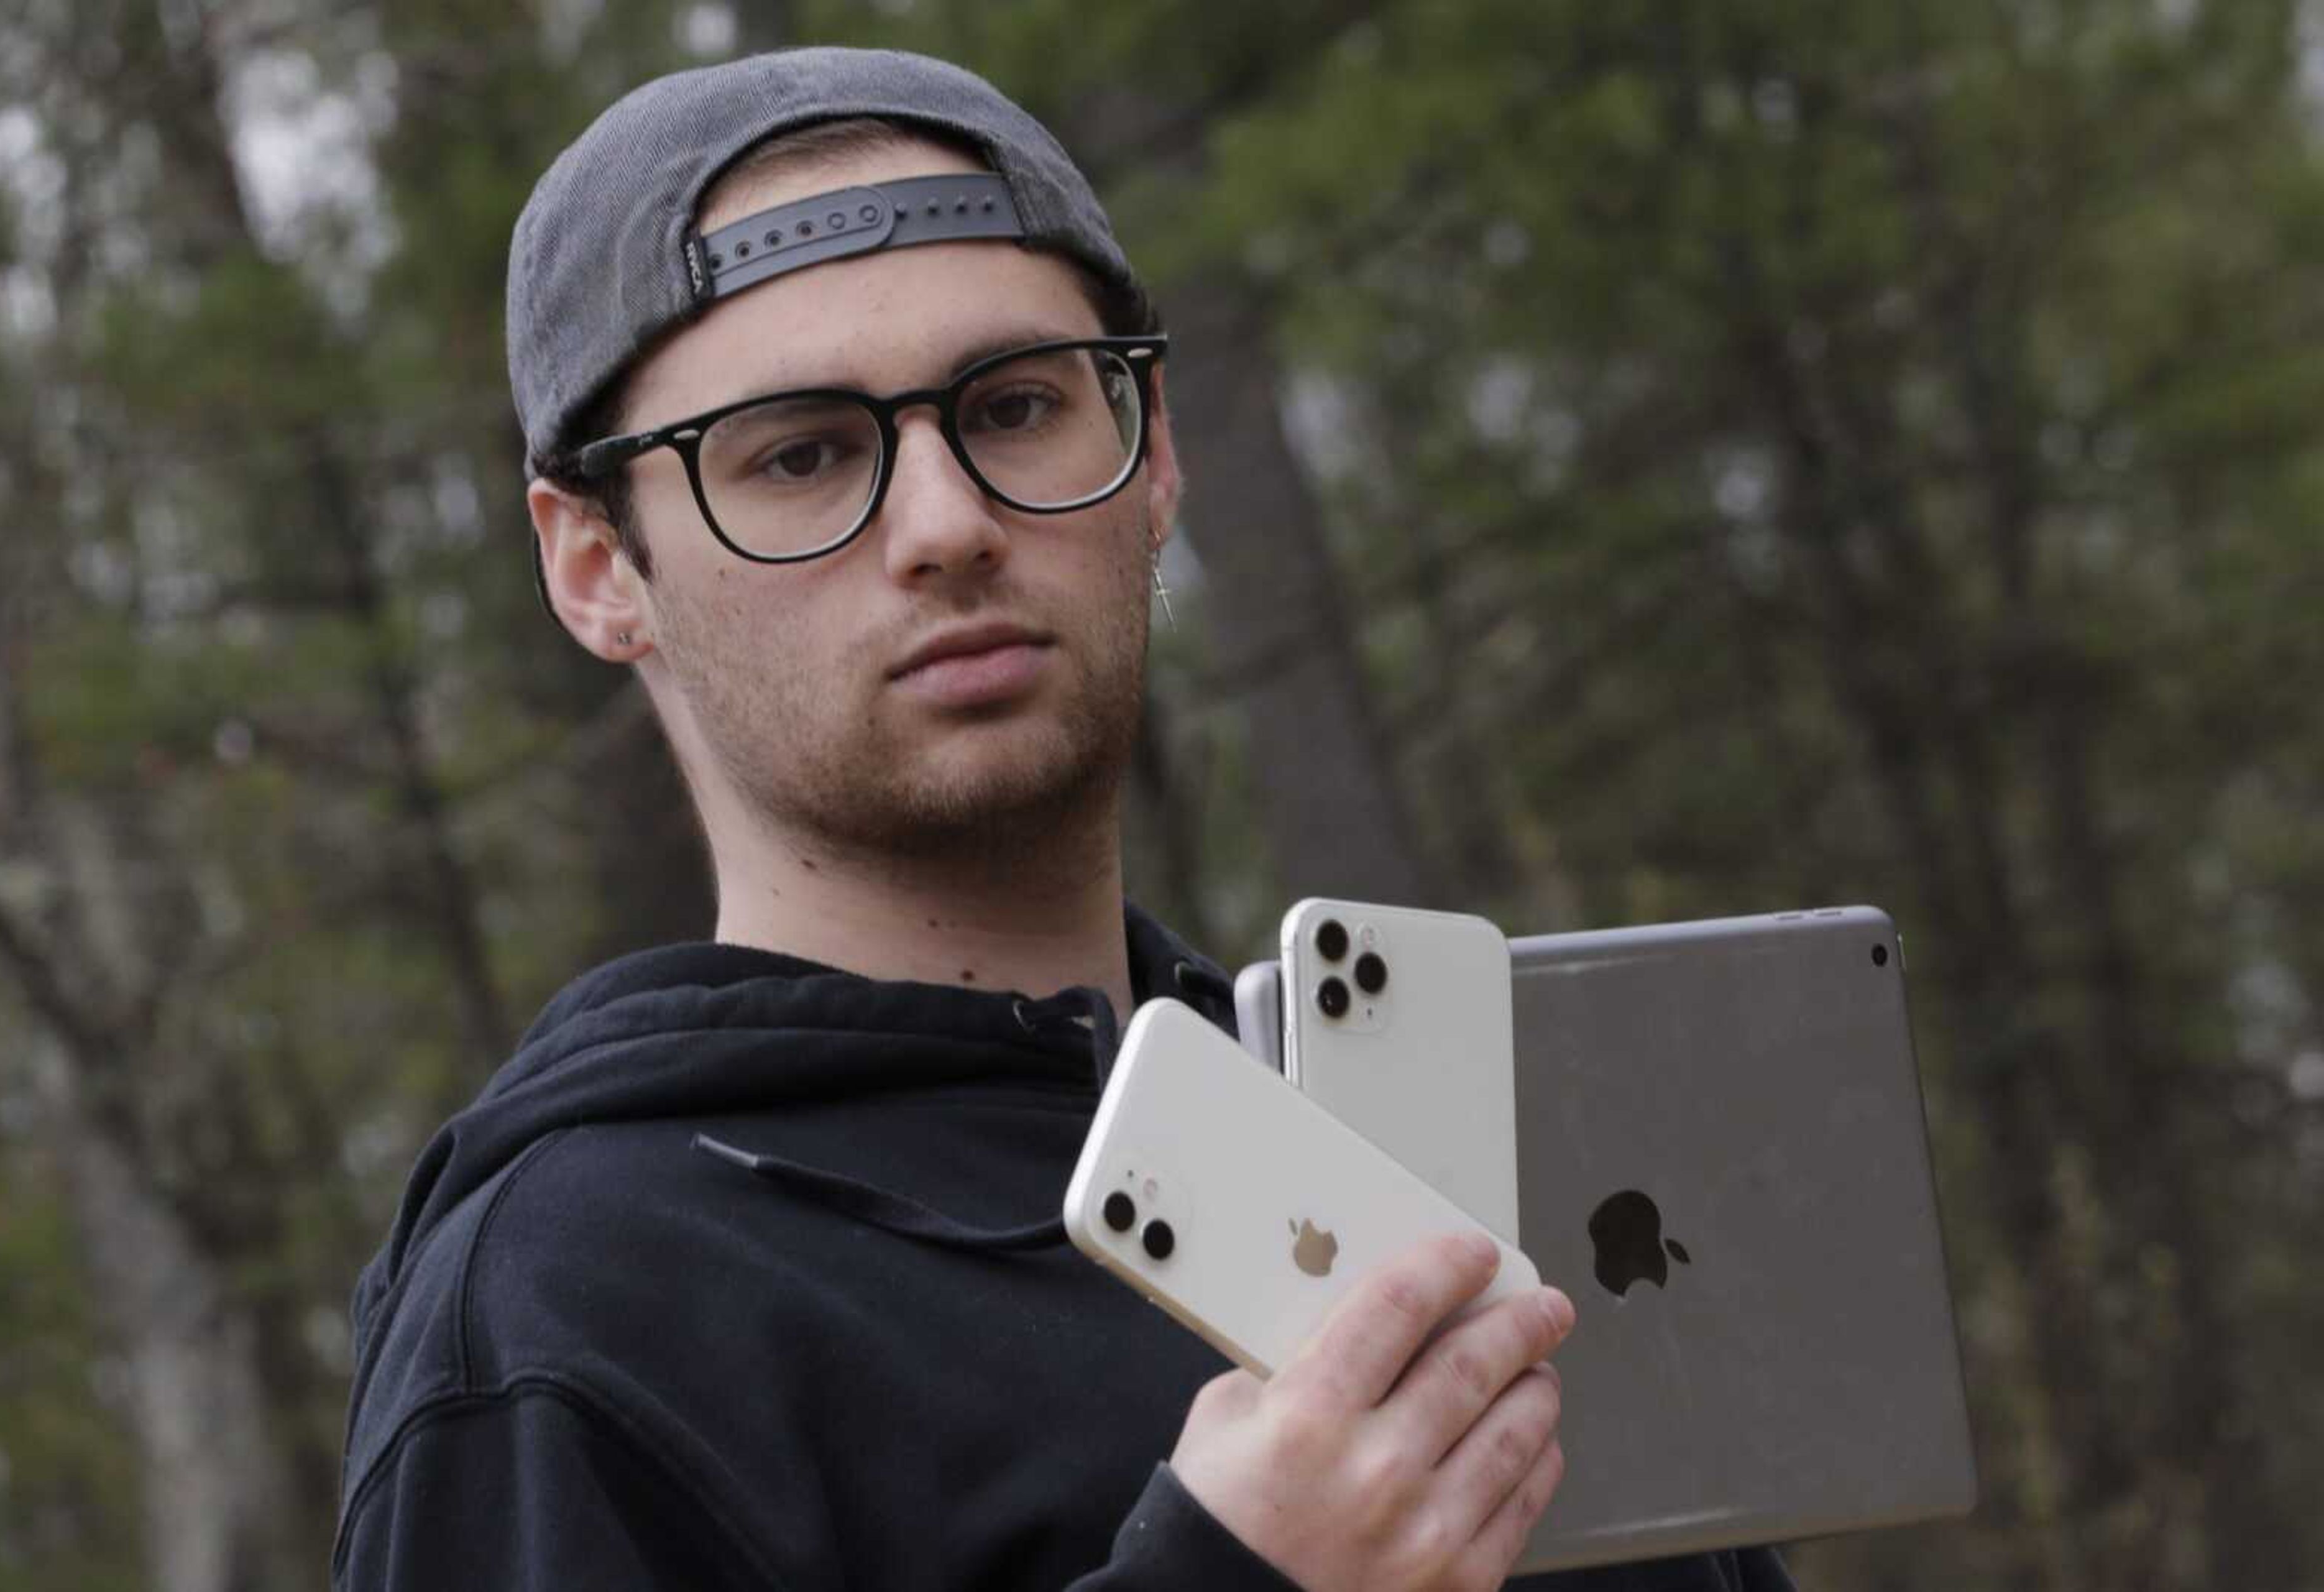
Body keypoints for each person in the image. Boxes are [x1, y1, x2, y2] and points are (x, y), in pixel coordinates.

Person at [334, 47, 1797, 1592]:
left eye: (1016, 406)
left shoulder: (1394, 1152)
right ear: (596, 568)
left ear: (1151, 450)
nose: (947, 524)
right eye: (802, 453)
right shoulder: (575, 1315)